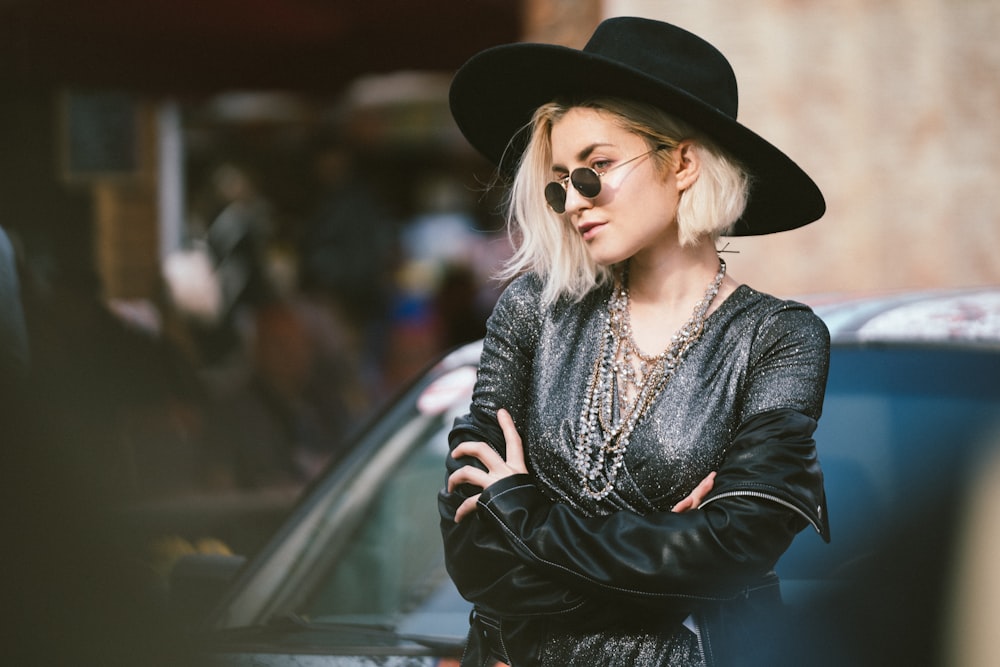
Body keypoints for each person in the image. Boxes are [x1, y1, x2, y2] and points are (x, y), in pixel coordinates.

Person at [437, 17, 831, 667]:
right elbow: (474, 552)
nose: (572, 201)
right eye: (560, 180)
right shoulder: (534, 311)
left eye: (595, 169)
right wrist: (669, 557)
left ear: (681, 162)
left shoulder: (779, 339)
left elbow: (733, 549)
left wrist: (521, 508)